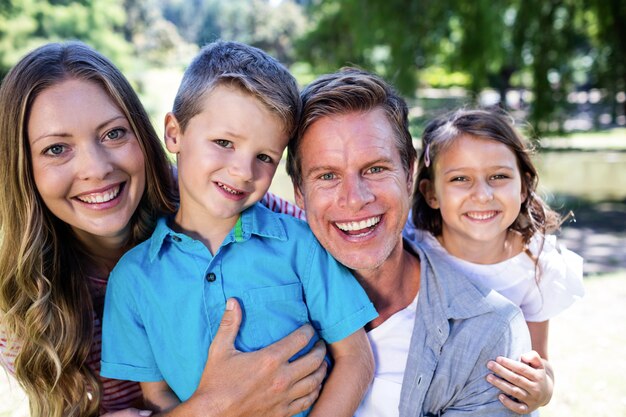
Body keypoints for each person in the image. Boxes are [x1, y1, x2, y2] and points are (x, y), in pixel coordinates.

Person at [0, 41, 326, 417]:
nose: (97, 168)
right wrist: (218, 407)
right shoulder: (28, 307)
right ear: (25, 169)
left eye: (113, 134)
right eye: (57, 149)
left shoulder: (218, 197)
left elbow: (337, 243)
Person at [100, 41, 377, 417]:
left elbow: (356, 358)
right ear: (173, 133)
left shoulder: (301, 245)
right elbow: (156, 396)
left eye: (264, 157)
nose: (243, 172)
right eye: (224, 143)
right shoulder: (132, 279)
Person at [285, 67, 534, 416]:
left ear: (408, 174)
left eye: (375, 169)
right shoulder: (251, 306)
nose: (354, 199)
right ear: (299, 191)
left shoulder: (487, 333)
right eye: (327, 176)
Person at [408, 108, 584, 413]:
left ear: (524, 185)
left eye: (499, 176)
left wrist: (543, 388)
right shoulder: (412, 245)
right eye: (460, 178)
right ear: (431, 193)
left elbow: (538, 359)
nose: (483, 194)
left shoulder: (537, 265)